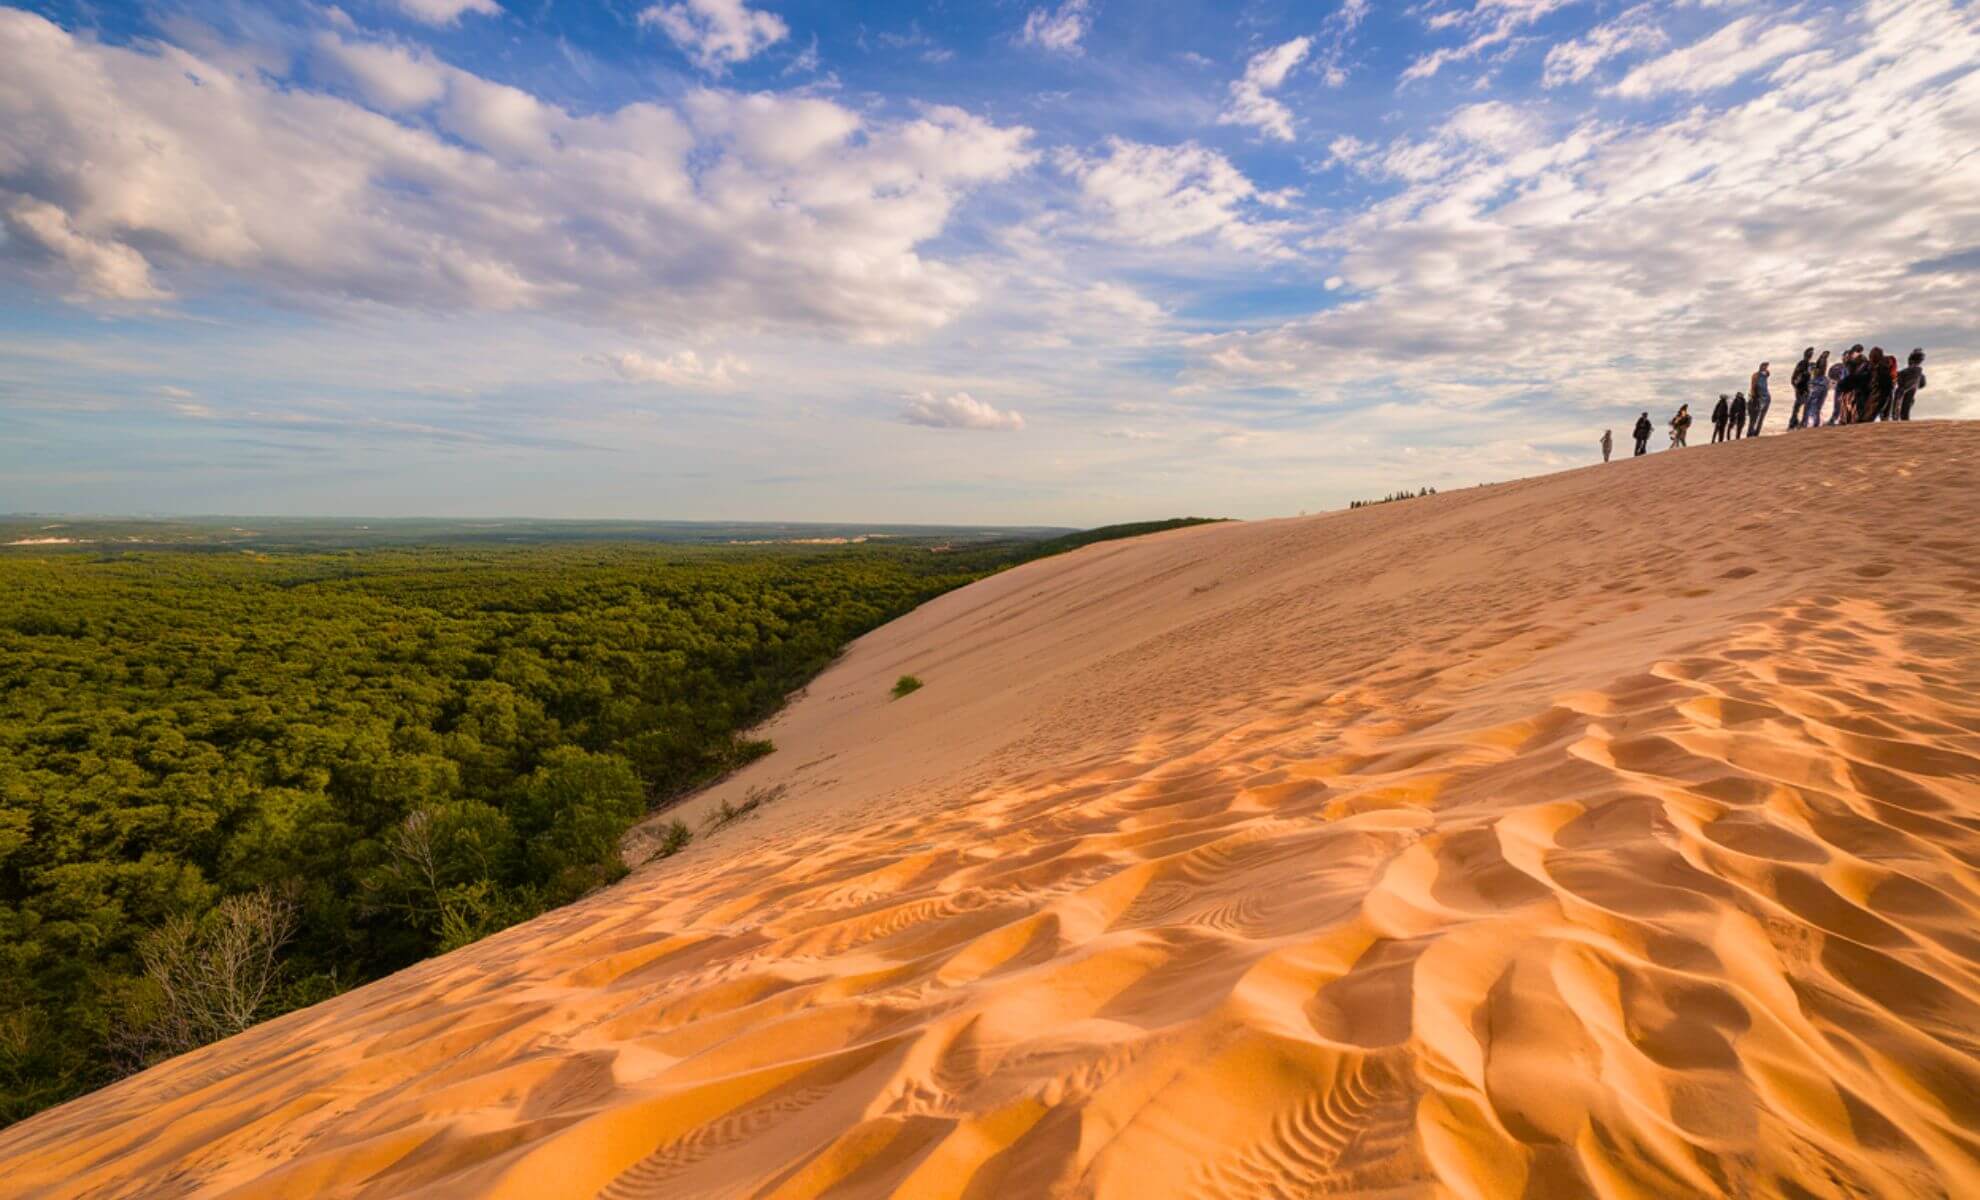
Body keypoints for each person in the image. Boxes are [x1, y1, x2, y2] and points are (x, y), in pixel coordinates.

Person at [1801, 351, 1831, 429]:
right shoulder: (1822, 378)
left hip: (1818, 387)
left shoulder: (1815, 377)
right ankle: (1816, 423)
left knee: (1812, 406)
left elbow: (1819, 369)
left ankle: (1812, 423)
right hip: (1822, 387)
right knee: (1817, 407)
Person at [1895, 349, 1927, 419]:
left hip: (1903, 393)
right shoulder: (1920, 374)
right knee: (1904, 413)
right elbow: (1922, 384)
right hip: (1909, 394)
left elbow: (1922, 384)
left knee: (1902, 413)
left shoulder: (1905, 372)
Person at [1789, 347, 1815, 428]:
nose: (1811, 355)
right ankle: (1795, 423)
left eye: (1811, 353)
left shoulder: (1807, 364)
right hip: (1801, 388)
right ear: (1806, 354)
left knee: (1800, 406)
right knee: (1800, 405)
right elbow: (1796, 376)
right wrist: (1796, 387)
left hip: (1804, 388)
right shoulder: (1802, 363)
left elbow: (1807, 377)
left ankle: (1795, 422)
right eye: (1809, 353)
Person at [1864, 347, 1893, 422]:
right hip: (1884, 393)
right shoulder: (1882, 367)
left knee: (1868, 418)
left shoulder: (1878, 368)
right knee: (1884, 417)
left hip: (1879, 393)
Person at [1747, 362, 1772, 436]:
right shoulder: (1756, 375)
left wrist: (1765, 369)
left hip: (1766, 398)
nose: (1765, 368)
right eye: (1764, 366)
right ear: (1760, 367)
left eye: (1766, 367)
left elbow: (1768, 373)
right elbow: (1753, 386)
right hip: (1758, 398)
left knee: (1761, 417)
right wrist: (1753, 396)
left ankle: (1756, 433)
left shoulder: (1764, 375)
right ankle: (1750, 433)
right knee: (1754, 417)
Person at [1826, 353, 1849, 424]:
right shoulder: (1839, 366)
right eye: (1844, 357)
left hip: (1847, 389)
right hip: (1839, 388)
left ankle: (1844, 419)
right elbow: (1831, 377)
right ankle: (1833, 419)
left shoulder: (1850, 367)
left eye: (1847, 357)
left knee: (1845, 405)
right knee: (1837, 405)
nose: (1845, 358)